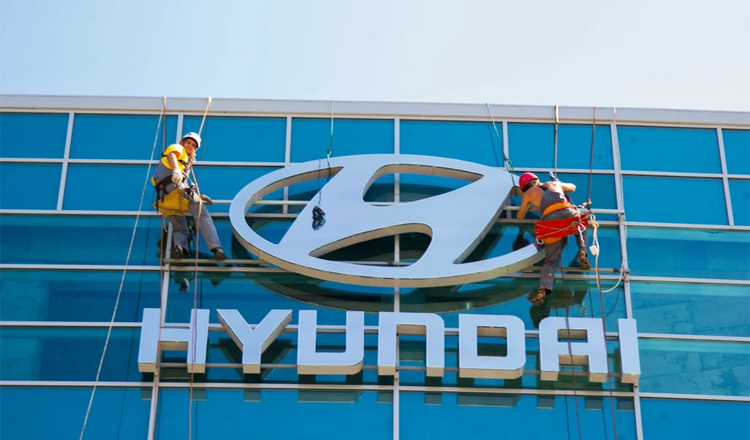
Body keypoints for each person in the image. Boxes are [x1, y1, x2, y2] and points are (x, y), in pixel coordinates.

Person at [516, 172, 590, 306]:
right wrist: (559, 185)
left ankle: (541, 292)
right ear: (536, 180)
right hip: (568, 213)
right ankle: (582, 252)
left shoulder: (528, 194)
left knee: (550, 262)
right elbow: (572, 187)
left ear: (524, 187)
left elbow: (520, 216)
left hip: (550, 221)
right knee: (581, 228)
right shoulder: (552, 184)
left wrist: (529, 205)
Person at [152, 132, 227, 261]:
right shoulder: (178, 148)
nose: (190, 146)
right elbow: (171, 155)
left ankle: (179, 249)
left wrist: (197, 195)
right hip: (176, 188)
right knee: (202, 215)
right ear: (182, 142)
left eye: (193, 146)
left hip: (165, 197)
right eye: (188, 142)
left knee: (180, 227)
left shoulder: (184, 161)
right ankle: (217, 249)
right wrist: (176, 169)